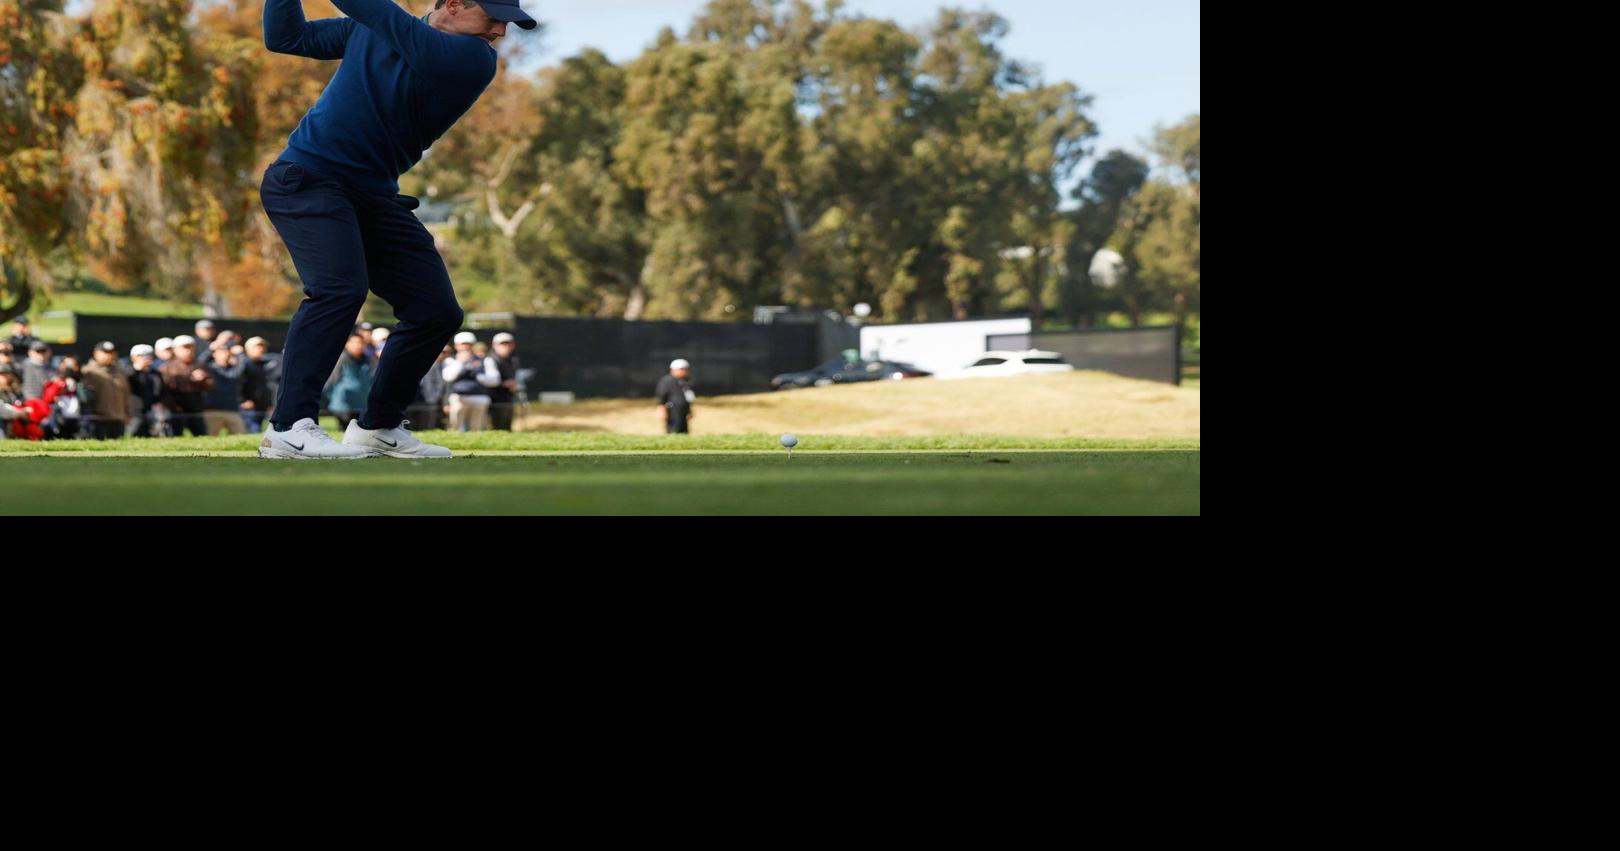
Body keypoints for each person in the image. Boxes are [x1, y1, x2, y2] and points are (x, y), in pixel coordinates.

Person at [255, 0, 535, 461]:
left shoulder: (473, 58)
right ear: (455, 4)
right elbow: (287, 38)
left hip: (372, 195)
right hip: (308, 179)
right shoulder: (377, 29)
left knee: (436, 311)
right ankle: (289, 428)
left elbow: (378, 14)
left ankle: (377, 426)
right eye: (494, 18)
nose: (502, 32)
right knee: (339, 290)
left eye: (508, 23)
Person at [442, 331, 498, 431]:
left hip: (479, 398)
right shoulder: (451, 360)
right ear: (456, 346)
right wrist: (460, 362)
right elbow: (448, 377)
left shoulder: (485, 360)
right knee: (455, 429)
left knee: (476, 429)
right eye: (463, 344)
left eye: (469, 344)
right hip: (459, 398)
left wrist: (478, 375)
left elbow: (494, 380)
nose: (466, 347)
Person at [160, 335, 214, 437]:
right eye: (184, 348)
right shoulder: (167, 367)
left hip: (196, 407)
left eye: (191, 347)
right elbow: (163, 390)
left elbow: (211, 386)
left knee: (200, 436)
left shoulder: (200, 365)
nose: (188, 351)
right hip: (175, 410)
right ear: (175, 350)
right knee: (175, 437)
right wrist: (173, 405)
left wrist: (202, 380)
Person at [82, 341, 134, 439]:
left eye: (111, 352)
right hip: (97, 419)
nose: (109, 355)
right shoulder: (88, 372)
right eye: (105, 352)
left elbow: (126, 394)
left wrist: (127, 413)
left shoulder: (119, 371)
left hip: (118, 418)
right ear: (96, 353)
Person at [325, 333, 373, 431]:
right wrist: (337, 397)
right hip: (343, 407)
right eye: (355, 342)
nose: (358, 345)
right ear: (348, 344)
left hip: (360, 406)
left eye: (360, 343)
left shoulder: (368, 360)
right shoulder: (341, 359)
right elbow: (331, 381)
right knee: (345, 432)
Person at [203, 342, 248, 435]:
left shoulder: (234, 369)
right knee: (209, 439)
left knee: (241, 437)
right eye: (220, 351)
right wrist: (209, 350)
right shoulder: (209, 368)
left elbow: (244, 366)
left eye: (226, 351)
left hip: (232, 410)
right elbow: (200, 362)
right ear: (214, 354)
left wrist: (240, 354)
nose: (224, 353)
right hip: (212, 411)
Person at [42, 357, 92, 440]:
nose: (69, 368)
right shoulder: (55, 380)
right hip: (60, 418)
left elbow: (86, 399)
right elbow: (48, 398)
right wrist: (59, 385)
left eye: (73, 365)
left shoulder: (82, 381)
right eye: (66, 365)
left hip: (77, 419)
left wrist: (79, 385)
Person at [240, 337, 280, 434]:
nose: (261, 349)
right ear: (248, 349)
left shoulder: (264, 365)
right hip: (248, 407)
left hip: (263, 406)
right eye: (257, 347)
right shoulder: (242, 364)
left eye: (263, 346)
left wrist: (269, 403)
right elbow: (236, 384)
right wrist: (242, 401)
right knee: (253, 432)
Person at [127, 344, 168, 438]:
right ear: (133, 357)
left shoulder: (155, 373)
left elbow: (161, 391)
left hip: (154, 411)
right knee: (135, 435)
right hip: (135, 412)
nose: (146, 358)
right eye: (141, 355)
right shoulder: (128, 373)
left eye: (148, 355)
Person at [487, 332, 520, 431]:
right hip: (492, 400)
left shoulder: (513, 360)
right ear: (494, 345)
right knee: (494, 428)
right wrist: (503, 384)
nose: (506, 346)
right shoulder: (489, 359)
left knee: (506, 428)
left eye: (508, 343)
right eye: (502, 344)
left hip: (507, 398)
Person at [655, 359, 696, 434]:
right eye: (682, 369)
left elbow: (688, 396)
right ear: (673, 369)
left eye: (685, 369)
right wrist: (662, 410)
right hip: (672, 410)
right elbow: (661, 396)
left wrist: (689, 409)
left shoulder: (686, 381)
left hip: (683, 410)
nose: (684, 371)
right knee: (674, 430)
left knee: (684, 431)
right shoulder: (667, 380)